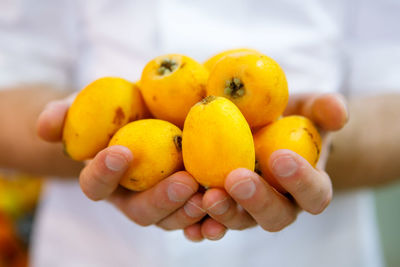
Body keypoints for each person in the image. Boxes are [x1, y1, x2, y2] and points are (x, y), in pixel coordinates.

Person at [0, 0, 399, 266]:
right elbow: (11, 76)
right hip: (94, 248)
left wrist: (319, 144)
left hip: (311, 252)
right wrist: (82, 141)